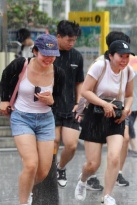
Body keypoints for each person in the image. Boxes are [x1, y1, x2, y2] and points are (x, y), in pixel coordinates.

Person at [0, 34, 65, 205]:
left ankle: (26, 187)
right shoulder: (21, 64)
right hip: (22, 117)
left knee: (43, 171)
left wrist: (52, 101)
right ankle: (22, 203)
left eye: (53, 55)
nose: (49, 58)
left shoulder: (58, 73)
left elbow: (61, 101)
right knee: (30, 164)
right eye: (45, 54)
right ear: (35, 51)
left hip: (45, 121)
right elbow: (5, 76)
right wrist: (4, 100)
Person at [74, 40, 135, 205]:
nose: (124, 60)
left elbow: (130, 95)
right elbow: (85, 91)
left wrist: (127, 109)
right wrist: (103, 104)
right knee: (93, 164)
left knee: (114, 157)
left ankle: (107, 197)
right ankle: (83, 180)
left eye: (127, 56)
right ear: (110, 55)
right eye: (121, 56)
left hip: (116, 118)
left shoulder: (128, 71)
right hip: (95, 116)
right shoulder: (99, 67)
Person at [51, 20, 95, 189]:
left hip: (71, 107)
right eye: (68, 40)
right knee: (53, 141)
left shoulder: (77, 56)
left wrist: (79, 103)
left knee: (71, 145)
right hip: (51, 106)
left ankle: (60, 168)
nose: (71, 43)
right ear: (58, 37)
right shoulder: (50, 54)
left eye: (74, 40)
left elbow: (79, 83)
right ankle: (48, 173)